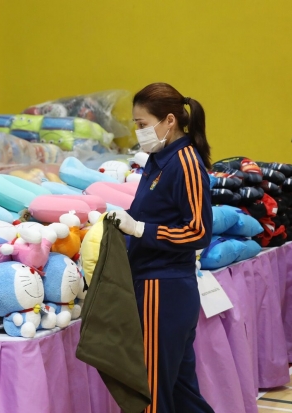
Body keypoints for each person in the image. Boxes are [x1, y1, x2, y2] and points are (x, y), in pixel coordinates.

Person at [112, 83, 214, 413]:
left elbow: (198, 231)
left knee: (151, 395)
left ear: (169, 121)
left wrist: (141, 229)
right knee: (183, 395)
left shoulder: (185, 163)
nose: (138, 131)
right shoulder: (158, 159)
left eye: (142, 124)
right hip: (151, 283)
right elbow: (151, 211)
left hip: (164, 288)